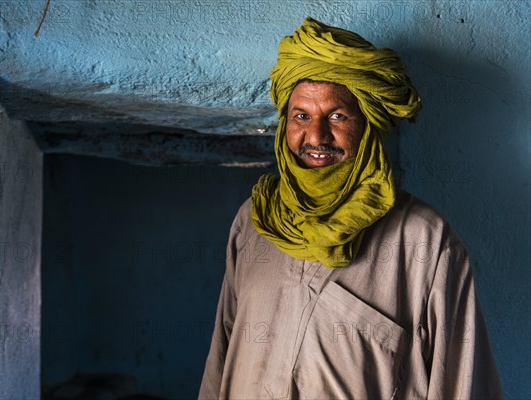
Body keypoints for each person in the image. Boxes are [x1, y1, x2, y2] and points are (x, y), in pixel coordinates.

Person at [198, 17, 502, 399]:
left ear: (368, 125)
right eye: (301, 116)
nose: (316, 137)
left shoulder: (424, 241)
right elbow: (221, 358)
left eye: (338, 116)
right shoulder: (255, 220)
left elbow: (463, 385)